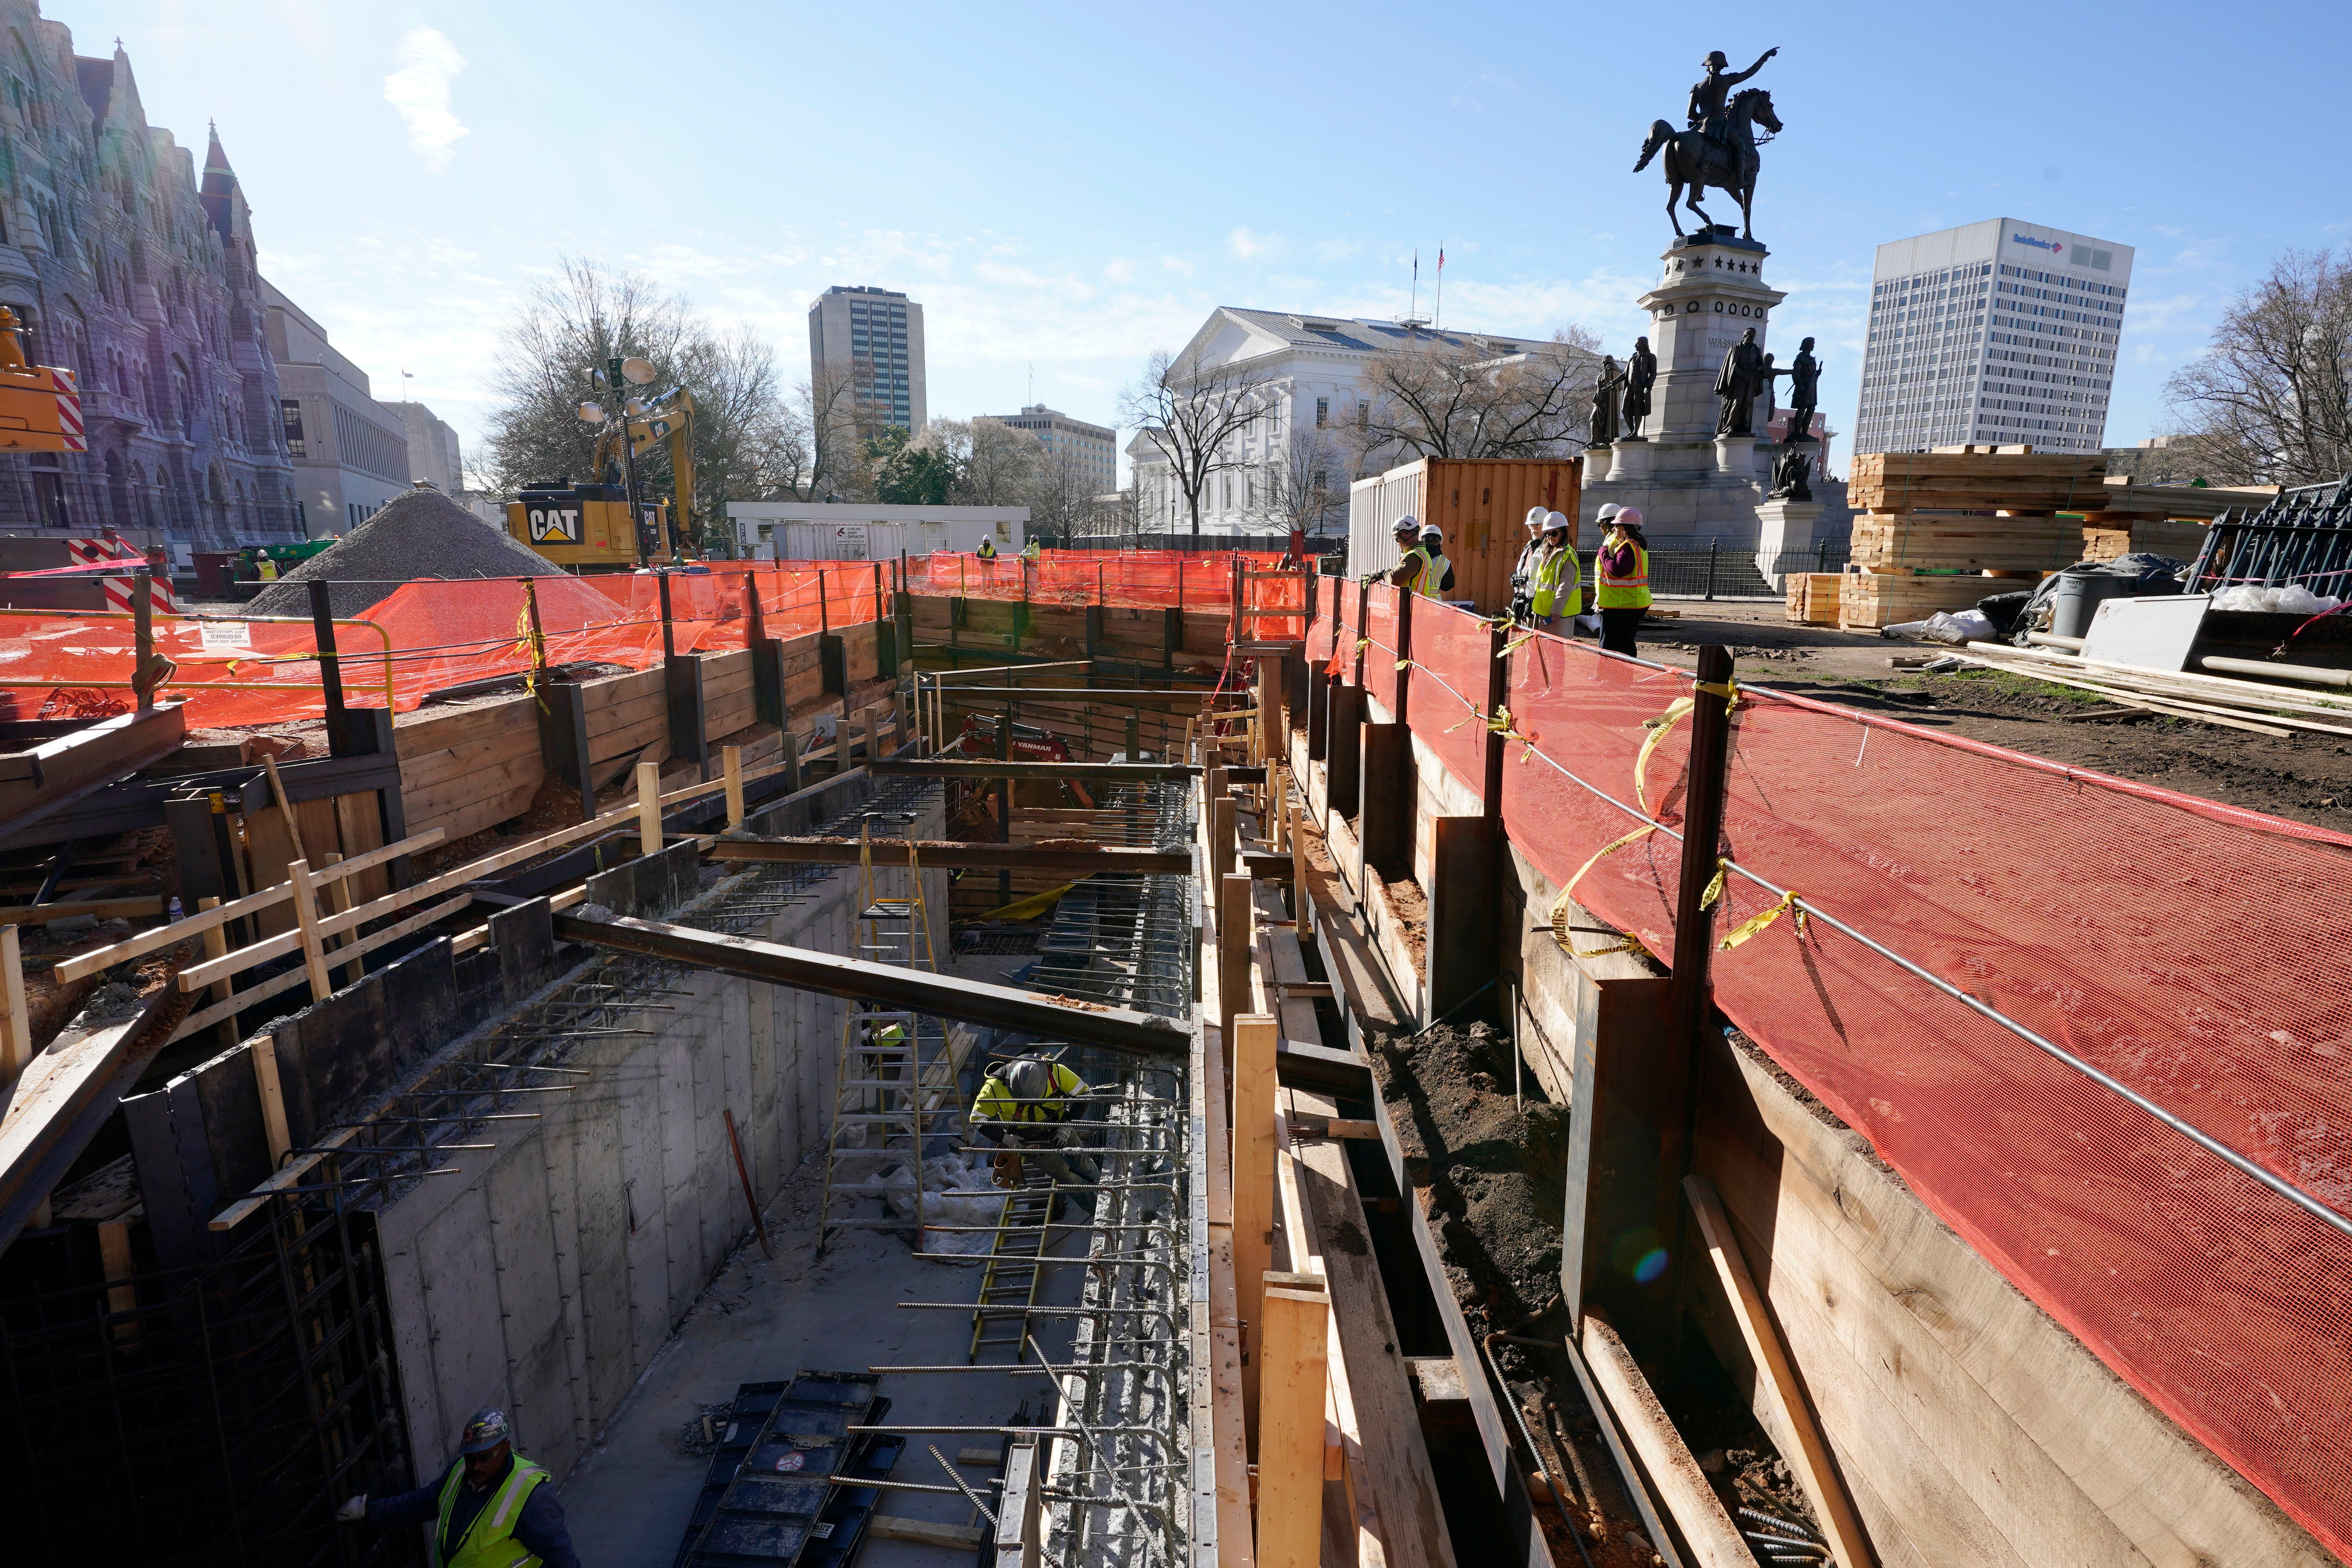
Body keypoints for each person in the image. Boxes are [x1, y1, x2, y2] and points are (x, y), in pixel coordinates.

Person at [338, 1408, 580, 1568]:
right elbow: (423, 1503)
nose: (475, 1467)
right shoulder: (460, 1472)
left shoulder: (532, 1496)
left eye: (485, 1458)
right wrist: (370, 1511)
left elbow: (562, 1560)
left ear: (505, 1449)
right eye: (469, 1457)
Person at [971, 1056, 1100, 1201]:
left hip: (1060, 1127)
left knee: (1084, 1163)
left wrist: (1067, 1126)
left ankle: (1106, 1189)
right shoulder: (994, 1088)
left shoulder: (1055, 1072)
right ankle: (1095, 1208)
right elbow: (977, 1119)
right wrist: (1005, 1138)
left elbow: (1085, 1093)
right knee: (1068, 1177)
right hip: (1028, 1141)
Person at [1688, 47, 1778, 152]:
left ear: (1708, 66)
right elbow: (1749, 73)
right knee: (1741, 146)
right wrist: (1764, 57)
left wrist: (1703, 119)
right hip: (1719, 124)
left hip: (1701, 126)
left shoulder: (1696, 88)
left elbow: (1691, 114)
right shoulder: (1726, 80)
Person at [1595, 508, 1652, 656]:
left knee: (1615, 645)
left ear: (1625, 528)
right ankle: (1627, 670)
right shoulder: (1638, 545)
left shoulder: (1627, 546)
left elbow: (1617, 569)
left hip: (1623, 603)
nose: (1613, 529)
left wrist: (1603, 553)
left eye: (1617, 526)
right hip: (1633, 601)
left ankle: (1617, 671)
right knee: (1625, 643)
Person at [1530, 511, 1580, 630]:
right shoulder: (1547, 552)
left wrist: (1557, 610)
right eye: (1547, 534)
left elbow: (1566, 586)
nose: (1550, 537)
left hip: (1559, 615)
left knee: (1555, 643)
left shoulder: (1568, 555)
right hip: (1544, 610)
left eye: (1554, 533)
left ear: (1563, 533)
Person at [1384, 515, 1441, 597]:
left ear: (1404, 535)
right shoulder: (1423, 553)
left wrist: (1385, 574)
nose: (1398, 543)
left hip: (1410, 604)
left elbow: (1394, 580)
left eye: (1397, 538)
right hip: (1416, 604)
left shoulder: (1414, 556)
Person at [1509, 506, 1549, 621]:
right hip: (1522, 598)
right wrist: (1516, 577)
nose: (1534, 529)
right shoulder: (1530, 546)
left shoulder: (1548, 548)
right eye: (1532, 526)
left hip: (1535, 601)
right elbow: (1526, 568)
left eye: (1538, 525)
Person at [1419, 523, 1455, 596]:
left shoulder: (1416, 556)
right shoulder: (1444, 562)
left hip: (1416, 600)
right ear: (1439, 542)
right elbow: (1448, 586)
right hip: (1434, 601)